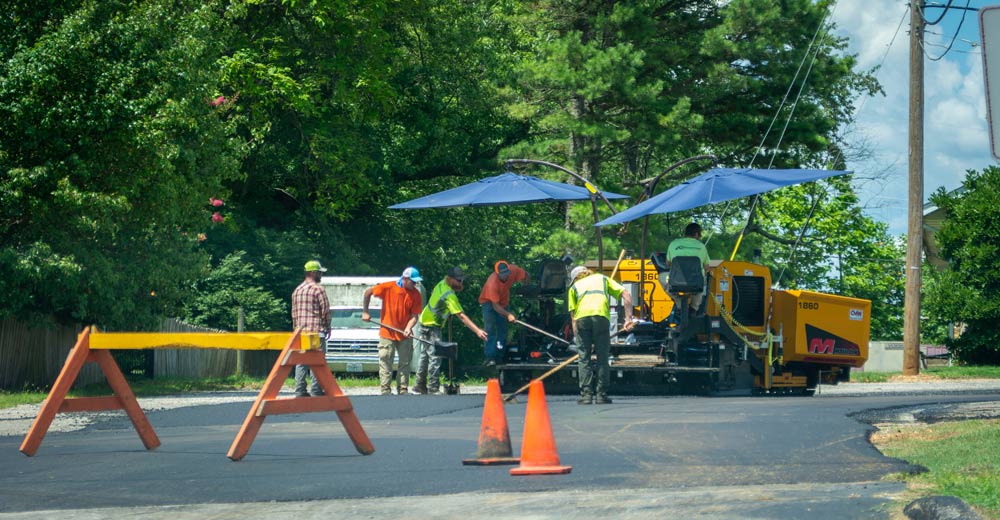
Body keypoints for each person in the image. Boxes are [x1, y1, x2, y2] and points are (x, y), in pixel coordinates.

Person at [413, 267, 488, 395]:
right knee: (435, 356)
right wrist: (477, 331)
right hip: (432, 325)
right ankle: (433, 388)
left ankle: (419, 386)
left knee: (425, 356)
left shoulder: (441, 283)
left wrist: (446, 312)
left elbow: (436, 298)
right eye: (458, 280)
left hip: (424, 321)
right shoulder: (450, 295)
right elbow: (462, 316)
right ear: (451, 279)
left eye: (461, 280)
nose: (461, 283)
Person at [567, 265, 634, 405]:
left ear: (575, 278)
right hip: (601, 317)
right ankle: (601, 395)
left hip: (582, 320)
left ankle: (586, 396)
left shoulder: (574, 287)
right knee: (602, 357)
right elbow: (627, 295)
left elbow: (573, 317)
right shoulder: (602, 278)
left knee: (583, 357)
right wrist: (628, 320)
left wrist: (578, 338)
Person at [362, 267, 424, 395]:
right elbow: (368, 292)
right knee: (385, 361)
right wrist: (365, 312)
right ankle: (385, 390)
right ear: (405, 279)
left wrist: (408, 328)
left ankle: (403, 389)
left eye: (416, 282)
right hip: (387, 333)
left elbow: (414, 316)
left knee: (405, 362)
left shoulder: (416, 294)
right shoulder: (388, 287)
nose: (415, 284)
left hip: (404, 334)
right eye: (413, 281)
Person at [291, 260, 332, 398]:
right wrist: (327, 327)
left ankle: (300, 390)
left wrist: (295, 330)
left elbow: (294, 313)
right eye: (320, 273)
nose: (321, 275)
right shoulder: (318, 289)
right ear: (314, 272)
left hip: (301, 332)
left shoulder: (297, 290)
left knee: (301, 361)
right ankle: (316, 390)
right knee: (317, 361)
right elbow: (325, 311)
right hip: (316, 331)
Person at [478, 260, 529, 366]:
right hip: (489, 303)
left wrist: (526, 289)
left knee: (503, 330)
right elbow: (495, 306)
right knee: (490, 329)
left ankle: (500, 356)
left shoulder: (513, 269)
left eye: (507, 273)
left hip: (503, 302)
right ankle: (490, 357)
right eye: (502, 274)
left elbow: (527, 275)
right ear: (497, 273)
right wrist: (508, 314)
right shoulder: (492, 283)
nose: (505, 276)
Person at [666, 222, 711, 313]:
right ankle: (694, 308)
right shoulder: (701, 247)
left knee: (662, 278)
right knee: (703, 283)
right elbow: (707, 267)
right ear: (696, 234)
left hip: (676, 282)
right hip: (696, 283)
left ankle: (680, 305)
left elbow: (668, 264)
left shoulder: (674, 244)